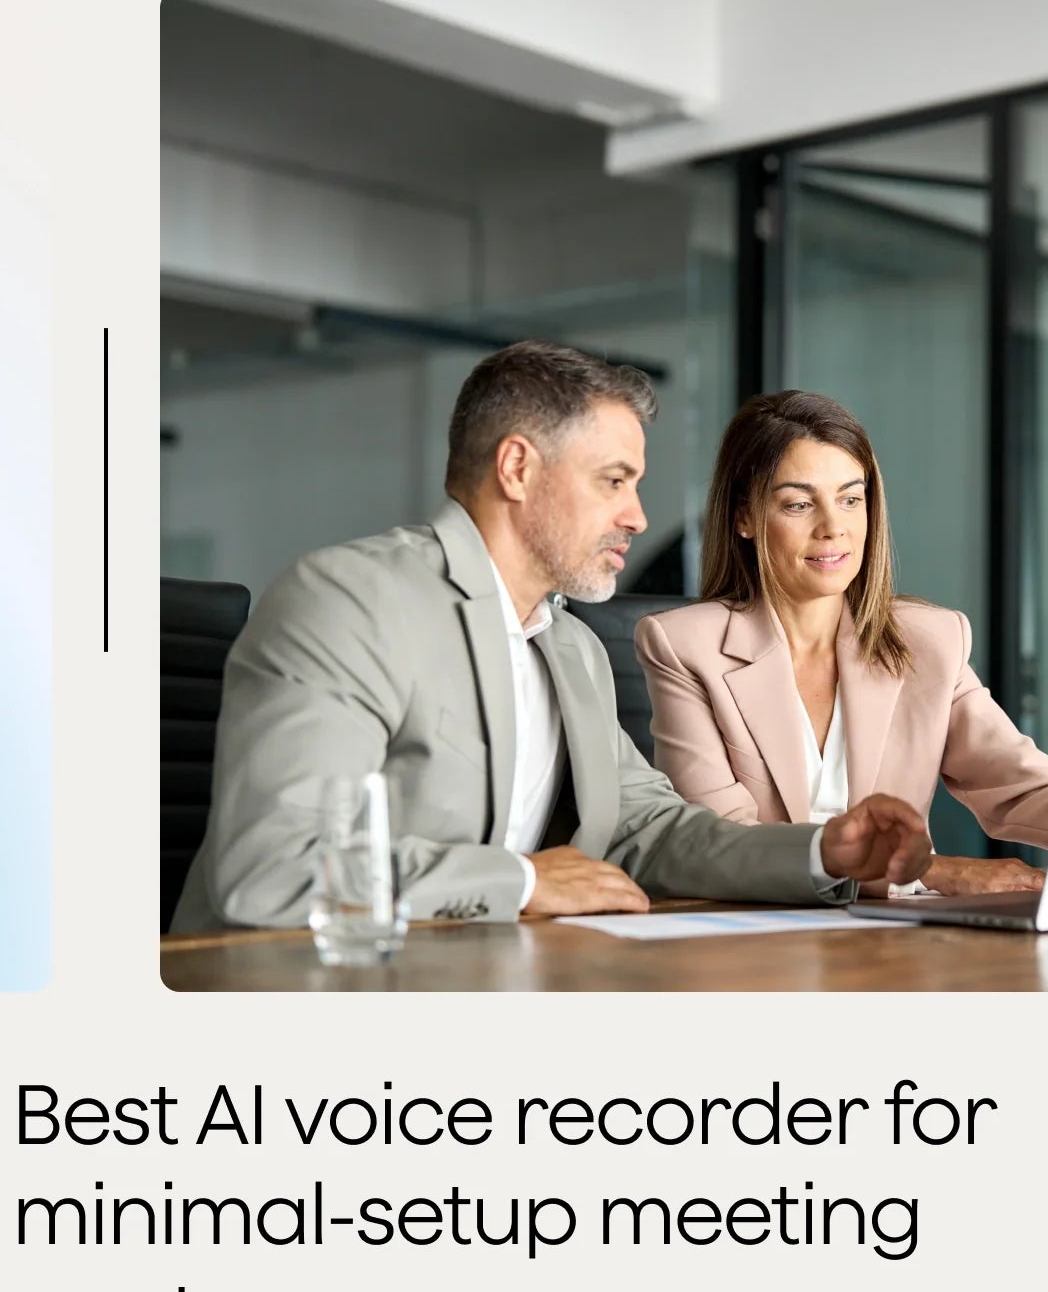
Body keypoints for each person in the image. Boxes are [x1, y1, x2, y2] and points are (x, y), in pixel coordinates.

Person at [170, 345, 931, 934]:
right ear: (517, 469)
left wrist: (822, 851)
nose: (637, 516)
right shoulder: (350, 602)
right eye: (614, 481)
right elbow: (275, 869)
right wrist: (526, 882)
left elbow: (650, 829)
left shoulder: (569, 646)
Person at [634, 390, 1048, 897]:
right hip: (754, 928)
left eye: (850, 499)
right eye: (799, 504)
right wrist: (932, 871)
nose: (833, 528)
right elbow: (721, 844)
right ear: (744, 518)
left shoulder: (930, 640)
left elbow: (1022, 789)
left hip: (891, 933)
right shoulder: (684, 647)